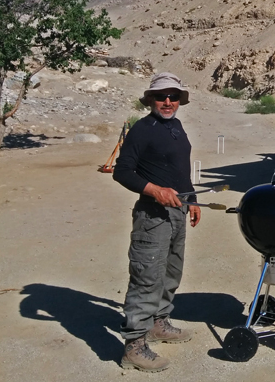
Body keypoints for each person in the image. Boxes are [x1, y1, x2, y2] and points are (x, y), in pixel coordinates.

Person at [113, 73, 200, 372]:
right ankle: (134, 347)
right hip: (152, 216)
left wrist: (193, 200)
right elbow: (122, 171)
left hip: (177, 212)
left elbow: (179, 170)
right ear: (150, 99)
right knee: (146, 277)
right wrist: (154, 190)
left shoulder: (175, 126)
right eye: (161, 96)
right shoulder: (142, 129)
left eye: (173, 96)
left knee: (170, 272)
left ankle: (158, 324)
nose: (168, 102)